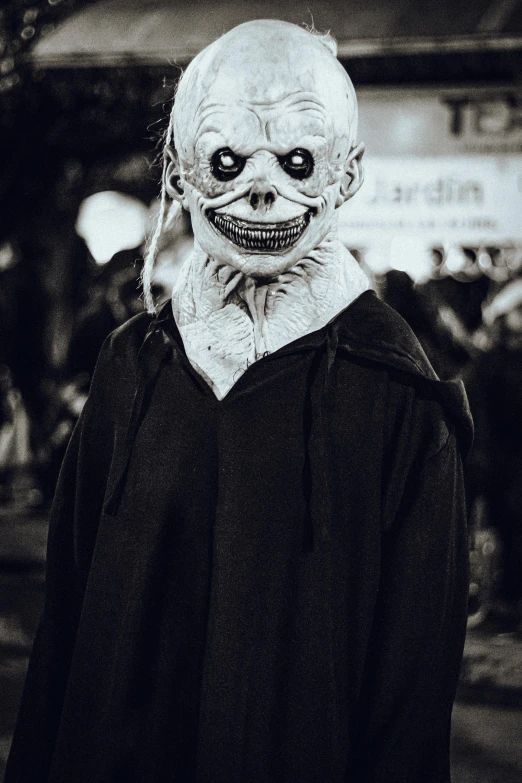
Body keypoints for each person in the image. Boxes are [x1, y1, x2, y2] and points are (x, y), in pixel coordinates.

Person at [6, 20, 472, 783]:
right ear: (182, 170)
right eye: (227, 159)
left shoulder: (399, 397)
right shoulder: (135, 364)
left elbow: (410, 703)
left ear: (347, 175)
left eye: (298, 160)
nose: (261, 190)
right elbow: (65, 632)